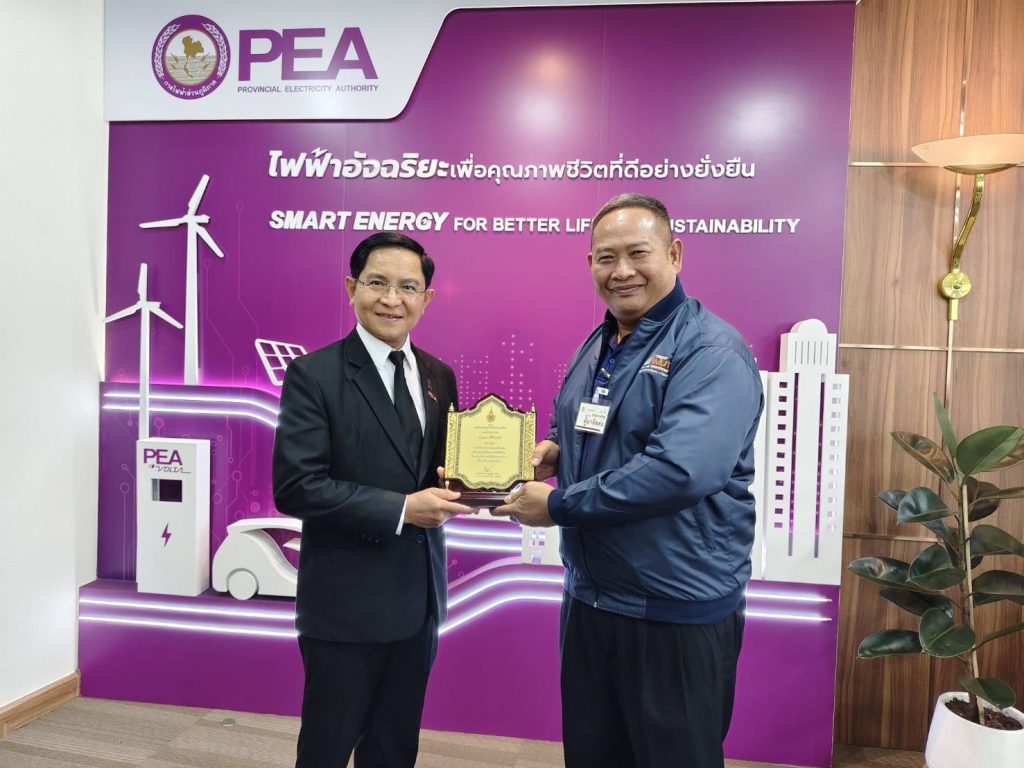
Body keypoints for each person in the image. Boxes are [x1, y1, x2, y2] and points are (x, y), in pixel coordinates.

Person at [494, 194, 764, 768]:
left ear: (675, 253)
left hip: (673, 607)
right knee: (594, 755)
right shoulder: (600, 342)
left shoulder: (710, 349)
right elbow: (590, 424)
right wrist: (556, 449)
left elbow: (679, 470)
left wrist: (559, 505)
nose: (621, 271)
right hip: (592, 599)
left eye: (638, 253)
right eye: (605, 257)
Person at [272, 231, 470, 768]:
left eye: (408, 287)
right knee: (327, 748)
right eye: (377, 283)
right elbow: (297, 486)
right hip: (346, 607)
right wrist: (403, 509)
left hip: (419, 603)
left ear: (427, 298)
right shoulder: (314, 375)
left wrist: (494, 482)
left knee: (394, 747)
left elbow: (442, 471)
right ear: (351, 288)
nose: (392, 299)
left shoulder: (439, 376)